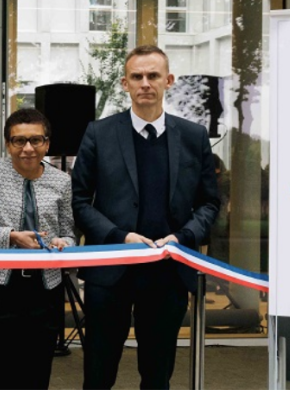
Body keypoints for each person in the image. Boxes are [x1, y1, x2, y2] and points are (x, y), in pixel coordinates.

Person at [71, 45, 219, 390]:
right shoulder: (99, 133)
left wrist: (182, 237)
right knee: (98, 373)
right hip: (109, 271)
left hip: (166, 272)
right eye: (137, 76)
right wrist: (119, 235)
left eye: (153, 75)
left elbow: (210, 203)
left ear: (168, 81)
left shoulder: (194, 136)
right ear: (125, 83)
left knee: (157, 376)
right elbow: (79, 201)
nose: (145, 83)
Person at [0, 108, 76, 390]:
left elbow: (69, 234)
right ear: (8, 144)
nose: (27, 148)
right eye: (19, 141)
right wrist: (11, 236)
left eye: (36, 140)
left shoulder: (62, 181)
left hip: (45, 287)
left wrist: (63, 244)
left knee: (37, 368)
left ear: (47, 143)